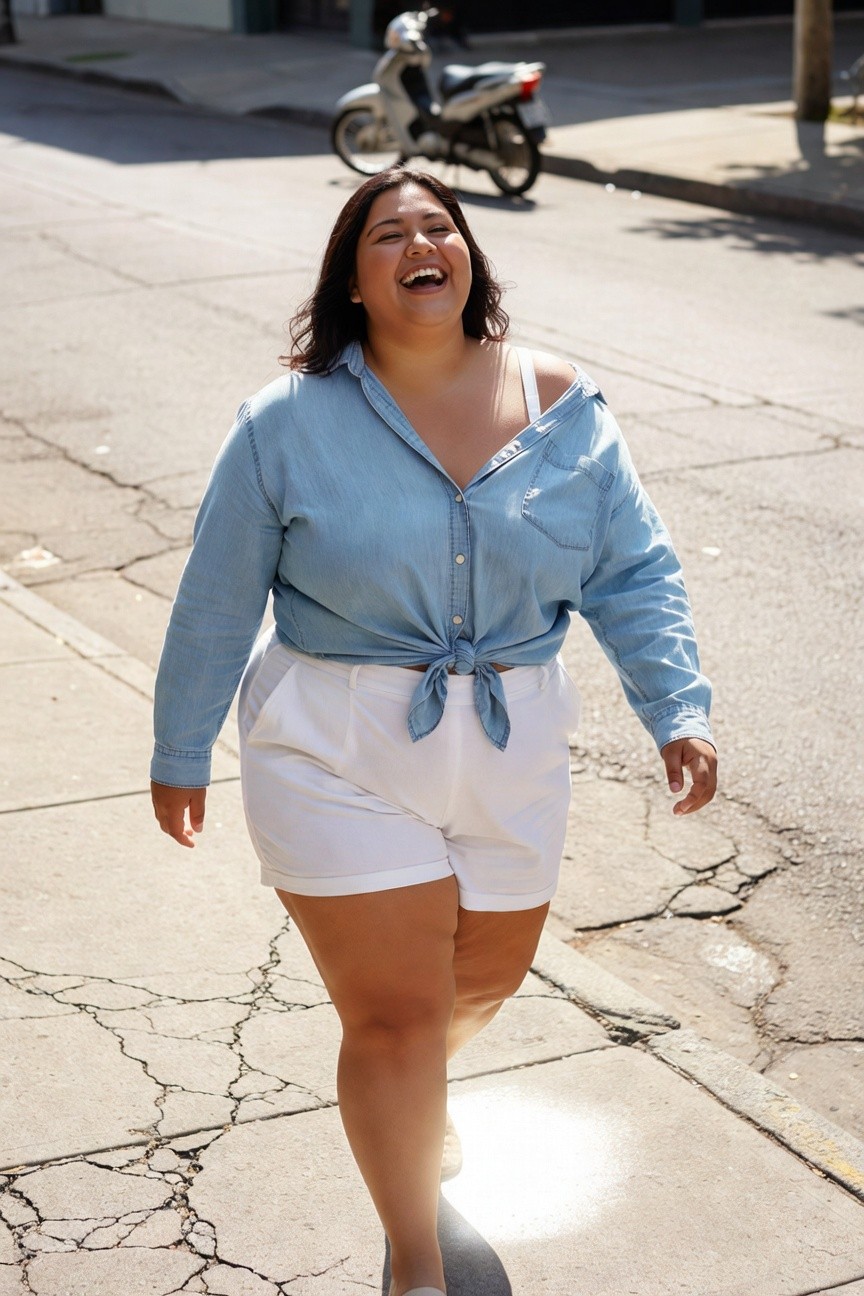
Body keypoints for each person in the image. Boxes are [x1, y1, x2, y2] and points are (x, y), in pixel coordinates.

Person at [150, 167, 717, 1296]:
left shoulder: (563, 405)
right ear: (353, 283)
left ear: (468, 259)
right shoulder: (286, 424)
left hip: (514, 739)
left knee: (483, 980)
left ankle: (416, 1104)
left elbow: (633, 570)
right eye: (386, 234)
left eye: (439, 226)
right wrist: (181, 745)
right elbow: (219, 595)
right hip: (334, 743)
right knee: (398, 1019)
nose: (419, 242)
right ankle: (419, 1262)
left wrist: (677, 708)